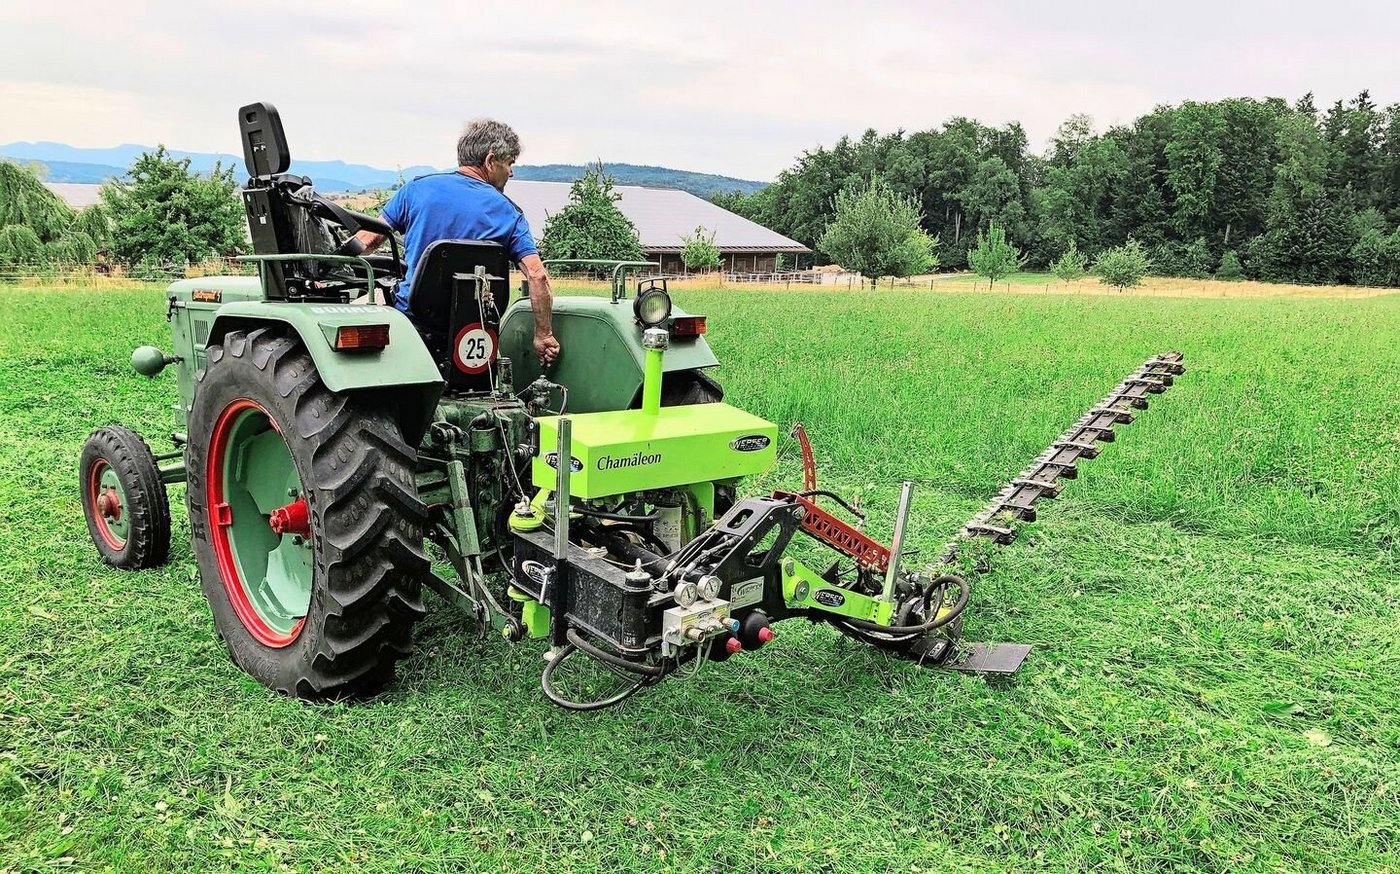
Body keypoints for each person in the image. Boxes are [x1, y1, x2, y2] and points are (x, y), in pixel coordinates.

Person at [351, 118, 561, 366]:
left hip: (412, 323)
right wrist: (543, 335)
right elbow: (537, 276)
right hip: (475, 332)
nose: (511, 172)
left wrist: (325, 271)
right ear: (490, 161)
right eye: (509, 163)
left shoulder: (416, 190)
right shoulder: (510, 213)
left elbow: (366, 241)